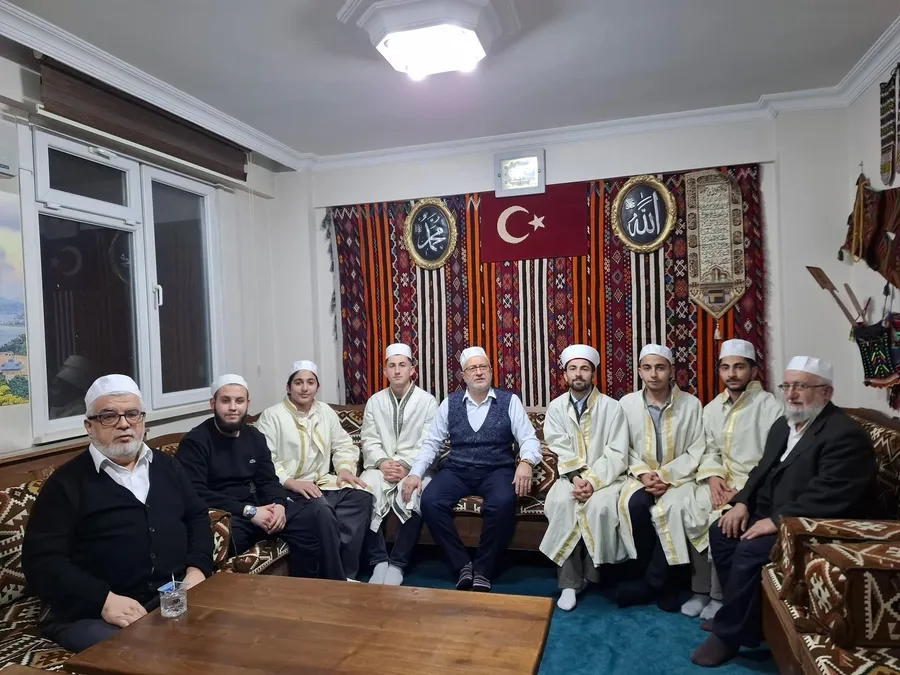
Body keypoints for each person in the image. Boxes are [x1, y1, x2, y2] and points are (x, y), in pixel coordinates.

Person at [691, 356, 876, 667]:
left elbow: (832, 494)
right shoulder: (784, 424)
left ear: (826, 392)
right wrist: (742, 503)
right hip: (772, 509)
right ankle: (740, 616)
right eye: (787, 386)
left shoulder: (843, 434)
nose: (791, 394)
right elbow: (761, 470)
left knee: (750, 548)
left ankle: (729, 635)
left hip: (810, 522)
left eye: (801, 386)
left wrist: (776, 521)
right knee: (721, 531)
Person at [22, 375, 213, 653]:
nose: (124, 424)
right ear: (89, 426)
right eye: (109, 416)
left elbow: (197, 517)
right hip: (92, 612)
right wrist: (103, 600)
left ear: (143, 420)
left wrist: (197, 570)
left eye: (132, 414)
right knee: (145, 654)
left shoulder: (169, 467)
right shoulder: (65, 484)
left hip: (171, 597)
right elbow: (42, 561)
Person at [177, 374, 345, 581]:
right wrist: (250, 512)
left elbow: (268, 479)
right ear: (213, 404)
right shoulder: (195, 442)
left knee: (317, 514)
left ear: (247, 404)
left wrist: (279, 504)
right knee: (233, 536)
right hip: (231, 513)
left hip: (260, 506)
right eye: (225, 401)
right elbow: (196, 493)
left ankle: (331, 585)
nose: (233, 408)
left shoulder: (254, 437)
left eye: (239, 401)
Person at [402, 346, 540, 592]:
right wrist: (415, 473)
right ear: (463, 376)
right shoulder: (450, 403)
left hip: (497, 470)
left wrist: (526, 463)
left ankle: (483, 570)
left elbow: (529, 439)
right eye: (472, 368)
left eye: (483, 367)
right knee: (430, 500)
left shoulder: (510, 401)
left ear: (491, 371)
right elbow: (432, 443)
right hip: (458, 469)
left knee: (502, 502)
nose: (478, 372)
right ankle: (462, 565)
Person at [682, 339, 783, 620]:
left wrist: (742, 493)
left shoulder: (771, 408)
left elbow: (772, 459)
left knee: (722, 519)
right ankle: (700, 591)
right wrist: (713, 477)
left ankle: (719, 596)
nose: (732, 374)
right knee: (691, 508)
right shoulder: (713, 408)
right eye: (725, 367)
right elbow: (708, 450)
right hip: (720, 482)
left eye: (739, 367)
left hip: (753, 485)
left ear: (753, 370)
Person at [256, 360, 374, 580]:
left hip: (321, 482)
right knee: (321, 510)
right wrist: (291, 482)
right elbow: (266, 461)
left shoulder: (325, 412)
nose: (304, 388)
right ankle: (334, 579)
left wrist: (344, 469)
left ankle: (347, 571)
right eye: (298, 382)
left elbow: (343, 444)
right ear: (288, 387)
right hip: (287, 488)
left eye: (310, 382)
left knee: (361, 497)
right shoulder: (272, 416)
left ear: (317, 387)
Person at [616, 344, 709, 611]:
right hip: (639, 476)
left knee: (672, 510)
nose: (654, 374)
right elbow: (621, 447)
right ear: (639, 372)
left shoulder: (690, 404)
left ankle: (662, 584)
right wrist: (644, 474)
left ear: (671, 371)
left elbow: (696, 449)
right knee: (636, 506)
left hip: (679, 478)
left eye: (660, 368)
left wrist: (666, 476)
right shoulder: (626, 404)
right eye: (647, 368)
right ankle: (647, 577)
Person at [540, 344, 630, 611]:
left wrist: (591, 481)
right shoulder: (556, 407)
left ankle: (592, 575)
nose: (578, 374)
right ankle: (569, 583)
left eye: (584, 369)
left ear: (593, 374)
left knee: (600, 507)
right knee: (561, 504)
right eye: (573, 369)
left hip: (605, 480)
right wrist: (577, 476)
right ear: (565, 375)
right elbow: (558, 445)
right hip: (570, 477)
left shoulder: (612, 408)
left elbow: (617, 452)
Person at [360, 344, 437, 586]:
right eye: (391, 366)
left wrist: (406, 465)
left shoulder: (427, 402)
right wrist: (383, 462)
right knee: (364, 490)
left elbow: (429, 441)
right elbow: (368, 438)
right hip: (380, 467)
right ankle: (379, 561)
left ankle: (397, 564)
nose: (397, 370)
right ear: (385, 371)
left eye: (402, 365)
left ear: (412, 370)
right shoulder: (375, 401)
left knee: (415, 493)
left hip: (416, 468)